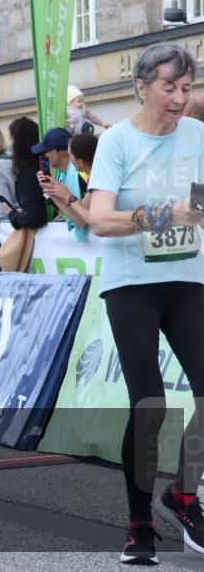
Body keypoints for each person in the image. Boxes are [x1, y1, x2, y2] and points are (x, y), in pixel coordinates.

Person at [85, 43, 204, 565]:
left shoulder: (199, 136)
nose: (179, 99)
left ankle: (182, 491)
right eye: (168, 88)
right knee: (149, 404)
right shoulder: (116, 142)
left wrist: (195, 211)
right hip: (132, 283)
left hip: (188, 277)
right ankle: (138, 527)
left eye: (186, 88)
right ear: (141, 86)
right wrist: (162, 215)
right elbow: (99, 220)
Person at [39, 132, 98, 241]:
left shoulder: (94, 178)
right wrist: (51, 191)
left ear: (80, 161)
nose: (69, 159)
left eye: (70, 155)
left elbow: (81, 220)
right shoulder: (92, 177)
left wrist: (68, 196)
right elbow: (77, 217)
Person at [0, 117, 49, 231]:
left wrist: (13, 215)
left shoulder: (29, 172)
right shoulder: (39, 165)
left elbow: (33, 217)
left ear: (19, 143)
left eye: (11, 139)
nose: (10, 145)